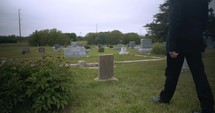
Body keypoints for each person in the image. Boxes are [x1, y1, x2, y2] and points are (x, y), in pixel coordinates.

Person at [152, 0, 215, 113]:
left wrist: (171, 45)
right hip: (195, 40)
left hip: (179, 41)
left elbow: (175, 19)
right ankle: (208, 107)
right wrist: (197, 34)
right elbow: (205, 20)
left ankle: (165, 98)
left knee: (172, 73)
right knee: (199, 75)